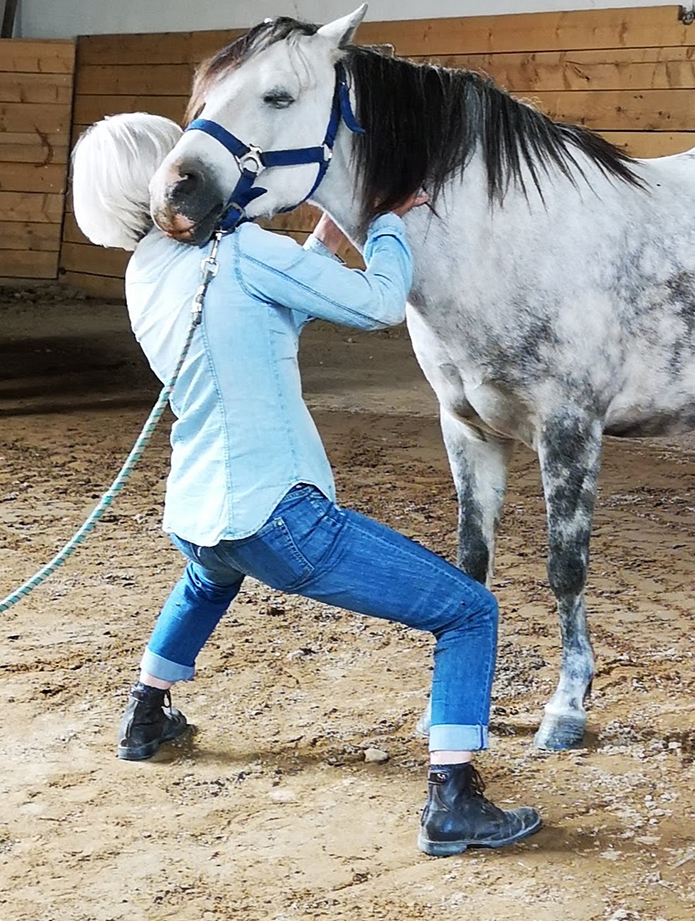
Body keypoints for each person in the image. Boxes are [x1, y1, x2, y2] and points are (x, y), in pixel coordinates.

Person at [70, 112, 541, 857]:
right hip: (277, 515)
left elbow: (267, 316)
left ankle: (146, 714)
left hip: (199, 510)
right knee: (467, 609)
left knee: (206, 578)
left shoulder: (145, 271)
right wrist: (384, 219)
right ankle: (452, 797)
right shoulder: (242, 250)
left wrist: (329, 228)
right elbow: (380, 302)